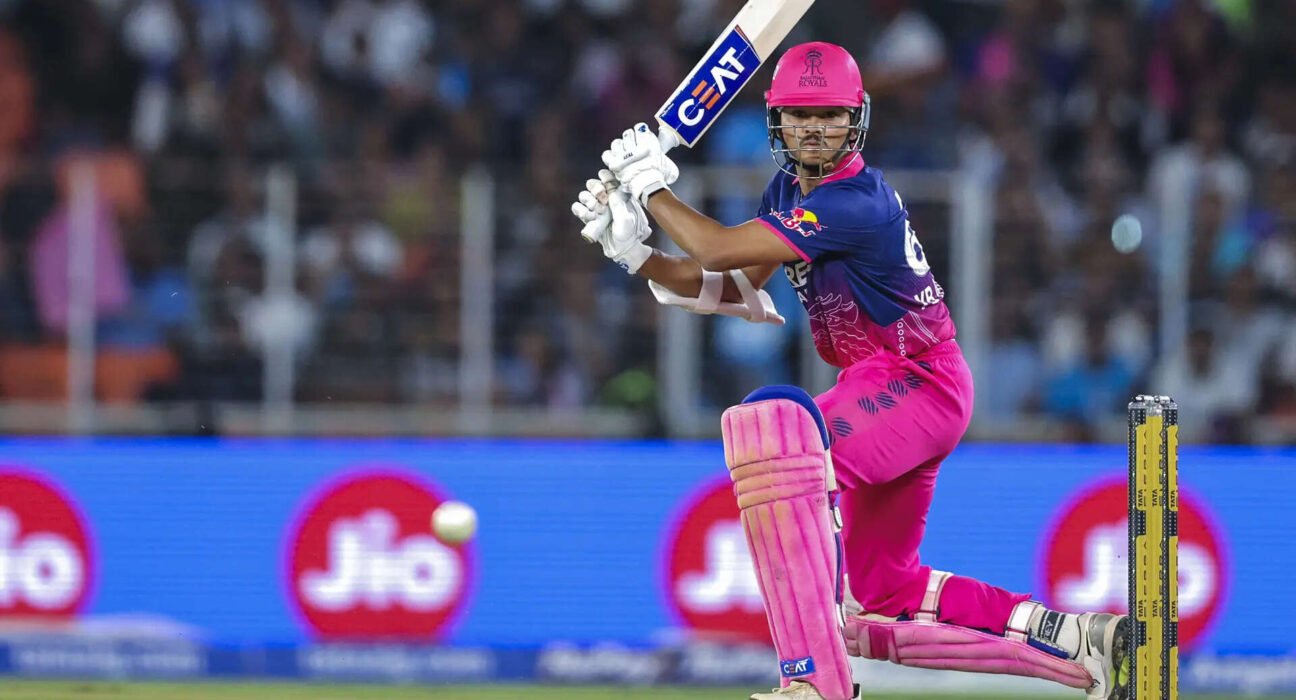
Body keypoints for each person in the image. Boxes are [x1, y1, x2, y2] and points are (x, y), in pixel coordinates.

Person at [573, 43, 1128, 700]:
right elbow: (734, 284)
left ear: (856, 118)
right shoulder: (787, 192)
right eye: (800, 115)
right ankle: (1080, 644)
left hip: (917, 380)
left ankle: (813, 684)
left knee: (780, 444)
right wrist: (636, 252)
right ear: (777, 121)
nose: (814, 130)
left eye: (830, 115)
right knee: (883, 597)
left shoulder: (855, 201)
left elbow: (717, 248)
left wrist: (650, 187)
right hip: (886, 387)